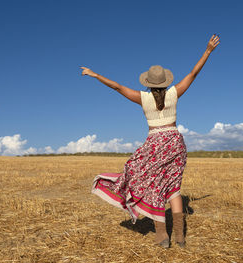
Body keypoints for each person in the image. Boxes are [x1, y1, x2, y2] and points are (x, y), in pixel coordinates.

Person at [80, 34, 220, 248]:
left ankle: (162, 235)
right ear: (165, 82)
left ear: (149, 83)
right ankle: (180, 237)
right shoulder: (174, 93)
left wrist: (95, 74)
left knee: (154, 185)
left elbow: (117, 87)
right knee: (173, 188)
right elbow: (193, 73)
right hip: (175, 142)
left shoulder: (143, 98)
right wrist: (208, 51)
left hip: (155, 143)